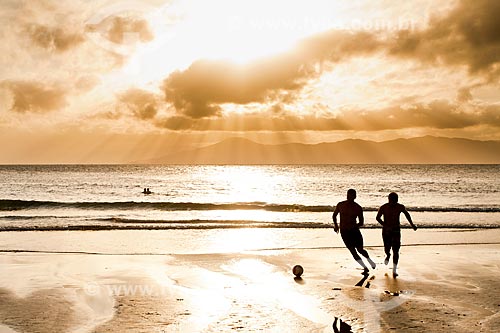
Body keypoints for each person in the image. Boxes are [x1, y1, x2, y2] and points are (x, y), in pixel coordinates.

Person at [333, 189, 376, 274]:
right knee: (353, 251)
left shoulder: (358, 208)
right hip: (344, 232)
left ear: (355, 197)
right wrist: (336, 225)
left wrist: (353, 226)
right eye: (348, 195)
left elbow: (361, 222)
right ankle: (364, 267)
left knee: (360, 250)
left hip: (354, 231)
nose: (349, 197)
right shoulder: (341, 205)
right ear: (346, 195)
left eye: (351, 196)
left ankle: (369, 259)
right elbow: (334, 215)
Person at [376, 192, 417, 277]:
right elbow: (377, 218)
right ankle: (388, 255)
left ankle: (394, 269)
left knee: (396, 250)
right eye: (393, 200)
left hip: (396, 231)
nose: (394, 202)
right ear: (389, 199)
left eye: (396, 200)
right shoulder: (384, 207)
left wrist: (412, 224)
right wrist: (385, 225)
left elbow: (407, 214)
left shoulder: (400, 207)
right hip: (386, 231)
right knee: (387, 248)